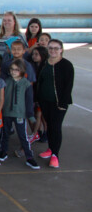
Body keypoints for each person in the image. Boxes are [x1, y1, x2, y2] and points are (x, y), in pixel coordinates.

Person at [37, 39, 74, 169]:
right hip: (45, 101)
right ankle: (50, 149)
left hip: (59, 103)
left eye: (56, 48)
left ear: (61, 50)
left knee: (55, 127)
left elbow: (68, 86)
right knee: (49, 126)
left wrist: (62, 103)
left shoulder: (66, 65)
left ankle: (55, 155)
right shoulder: (44, 63)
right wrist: (38, 98)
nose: (53, 50)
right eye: (51, 48)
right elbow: (40, 81)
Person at [0, 59, 40, 169]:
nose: (13, 72)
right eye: (12, 69)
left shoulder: (26, 84)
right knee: (5, 134)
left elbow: (29, 101)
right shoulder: (5, 82)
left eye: (16, 70)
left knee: (23, 136)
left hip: (20, 114)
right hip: (6, 113)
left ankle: (29, 157)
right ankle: (3, 152)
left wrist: (30, 115)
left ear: (22, 70)